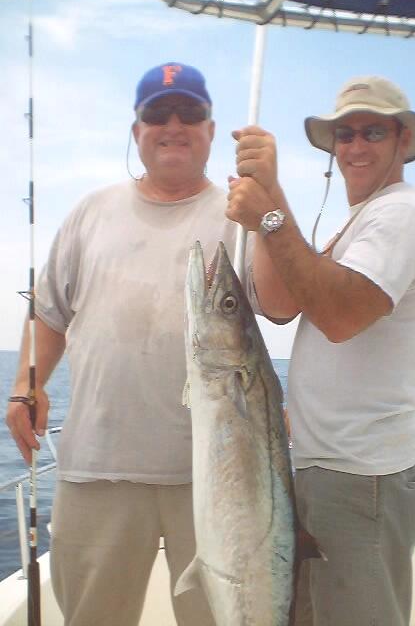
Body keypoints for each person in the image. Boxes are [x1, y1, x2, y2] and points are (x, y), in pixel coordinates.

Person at [5, 62, 242, 626]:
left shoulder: (240, 217)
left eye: (190, 113)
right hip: (97, 466)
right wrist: (26, 384)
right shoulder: (91, 212)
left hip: (216, 476)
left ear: (211, 130)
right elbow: (48, 311)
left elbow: (280, 306)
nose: (173, 125)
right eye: (157, 114)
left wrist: (270, 208)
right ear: (136, 131)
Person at [226, 75, 415, 626]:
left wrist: (269, 216)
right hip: (324, 471)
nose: (355, 146)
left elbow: (340, 314)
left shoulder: (403, 215)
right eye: (345, 134)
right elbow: (280, 303)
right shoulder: (361, 222)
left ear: (403, 140)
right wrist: (270, 190)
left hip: (361, 480)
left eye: (373, 132)